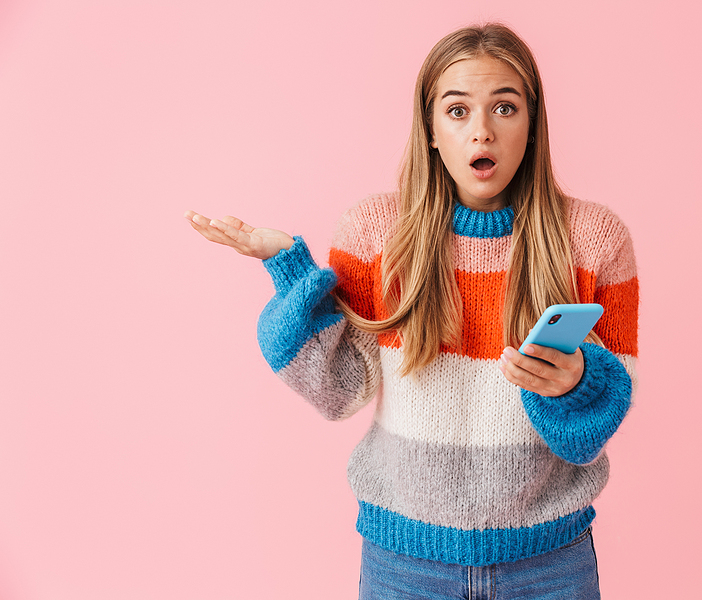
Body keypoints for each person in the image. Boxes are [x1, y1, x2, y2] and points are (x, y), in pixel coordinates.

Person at [185, 22, 638, 600]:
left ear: (533, 122)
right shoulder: (374, 232)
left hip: (550, 567)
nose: (482, 131)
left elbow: (596, 427)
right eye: (456, 111)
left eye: (505, 107)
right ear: (429, 128)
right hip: (405, 568)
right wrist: (291, 273)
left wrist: (575, 383)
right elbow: (338, 391)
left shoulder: (595, 239)